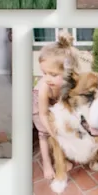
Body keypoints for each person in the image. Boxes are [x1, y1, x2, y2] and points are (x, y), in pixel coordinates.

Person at [32, 32, 74, 178]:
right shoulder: (44, 86)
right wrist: (51, 132)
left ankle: (62, 159)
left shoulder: (69, 84)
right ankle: (47, 163)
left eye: (53, 74)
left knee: (62, 131)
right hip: (39, 107)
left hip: (56, 104)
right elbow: (43, 114)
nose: (47, 78)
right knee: (44, 135)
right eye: (44, 73)